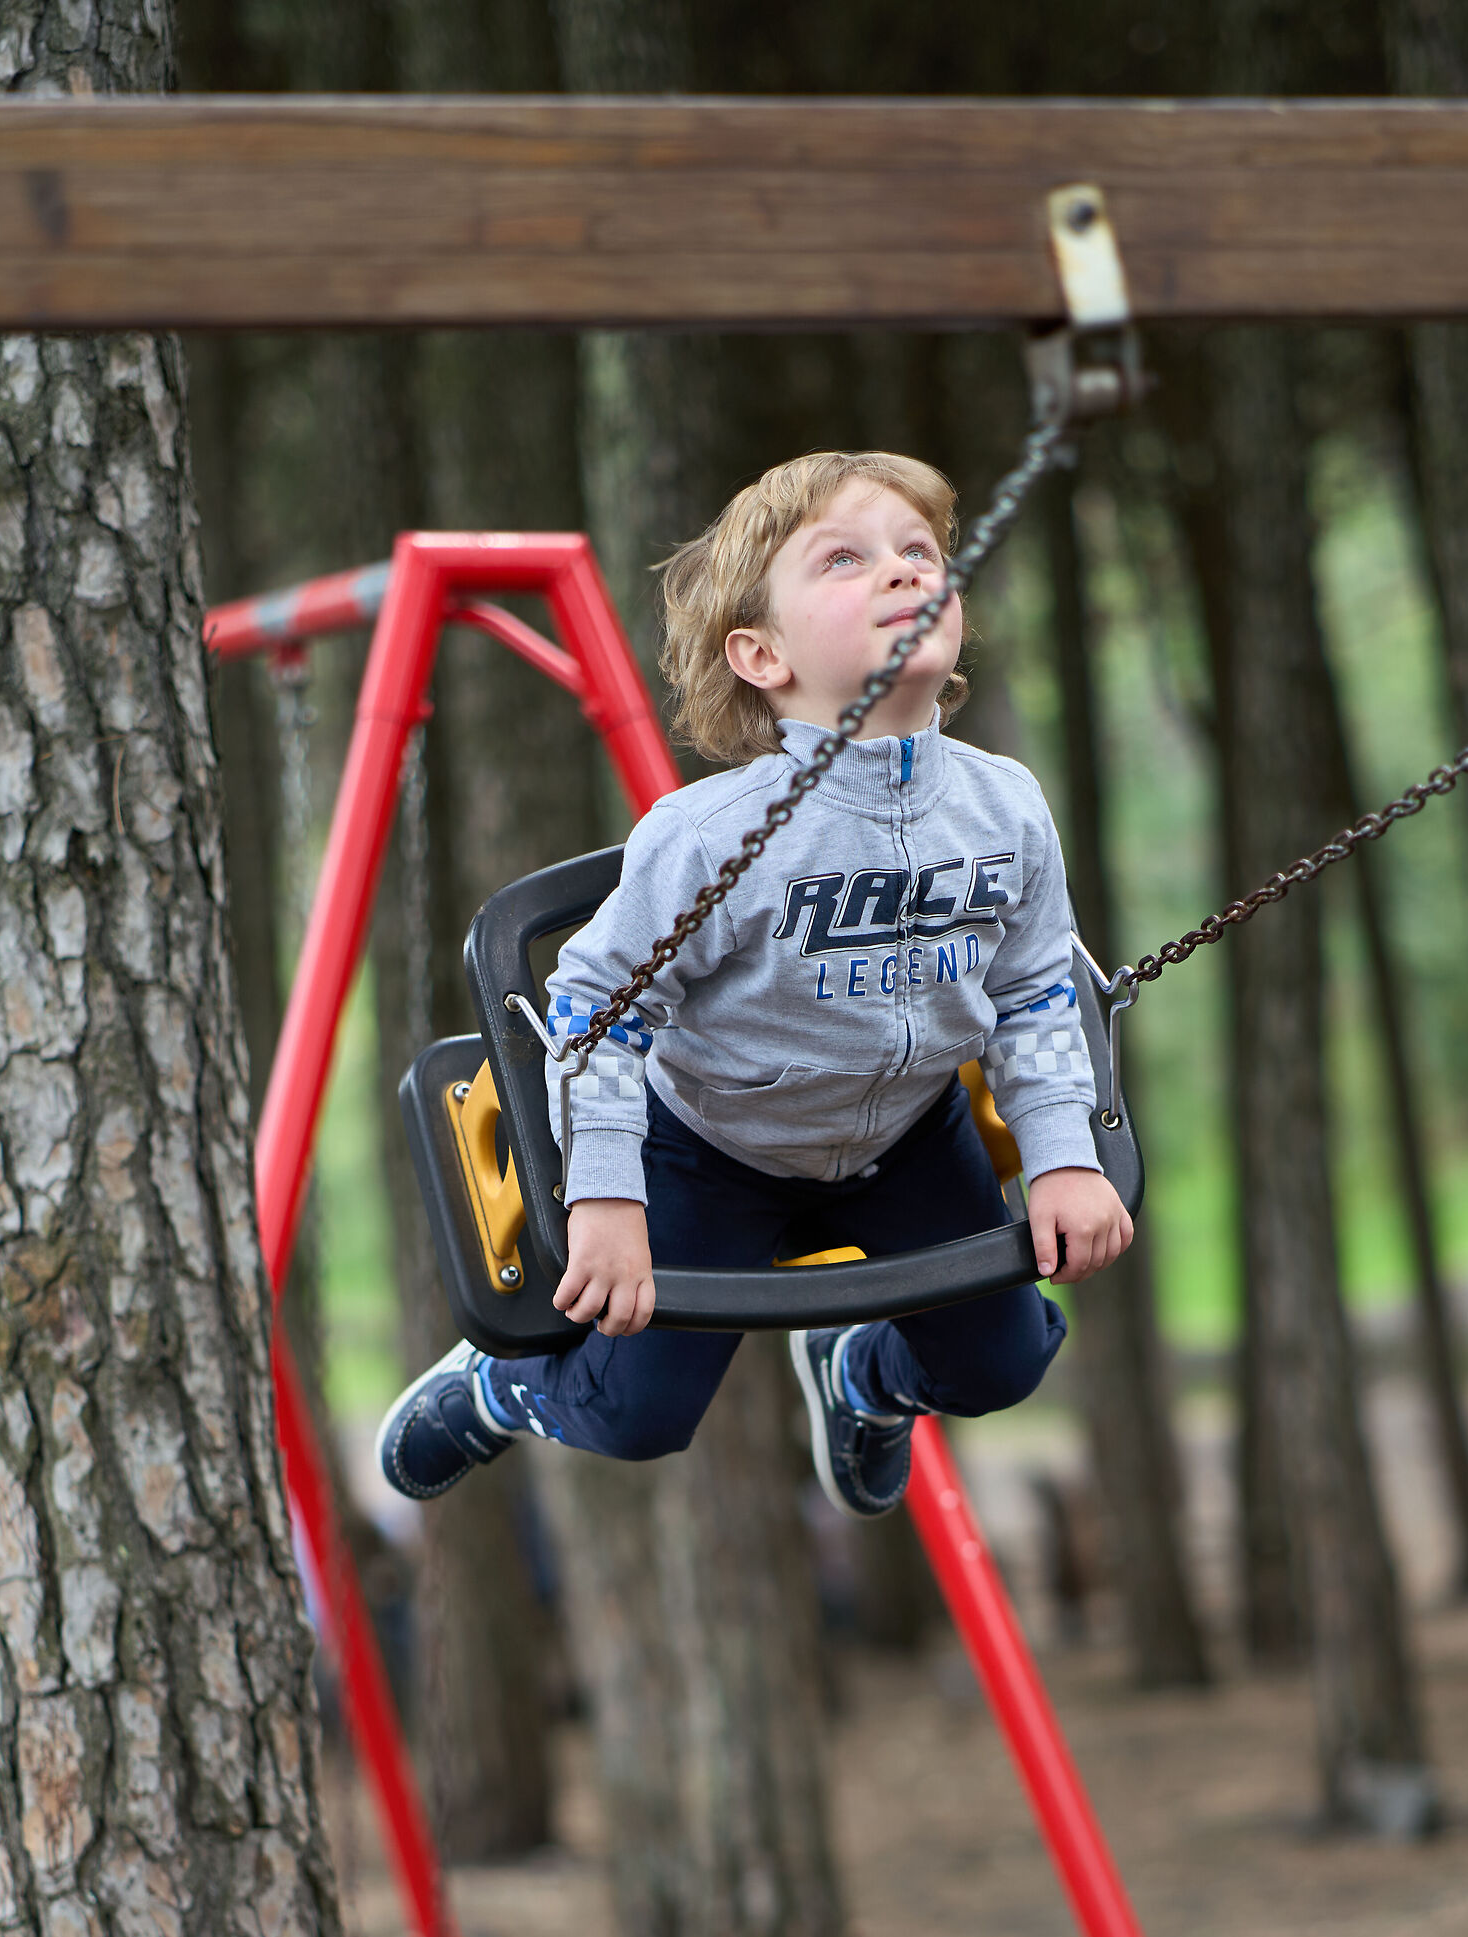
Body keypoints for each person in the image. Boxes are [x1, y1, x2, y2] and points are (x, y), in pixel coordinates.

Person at [379, 449, 1133, 1517]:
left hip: (904, 1138)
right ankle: (500, 1389)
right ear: (760, 653)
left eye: (918, 551)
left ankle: (859, 1373)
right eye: (844, 559)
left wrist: (1060, 1153)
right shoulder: (711, 836)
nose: (900, 571)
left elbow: (1037, 990)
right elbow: (597, 1008)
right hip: (707, 1147)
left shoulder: (1004, 808)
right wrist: (604, 1191)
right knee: (638, 1415)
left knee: (1000, 1366)